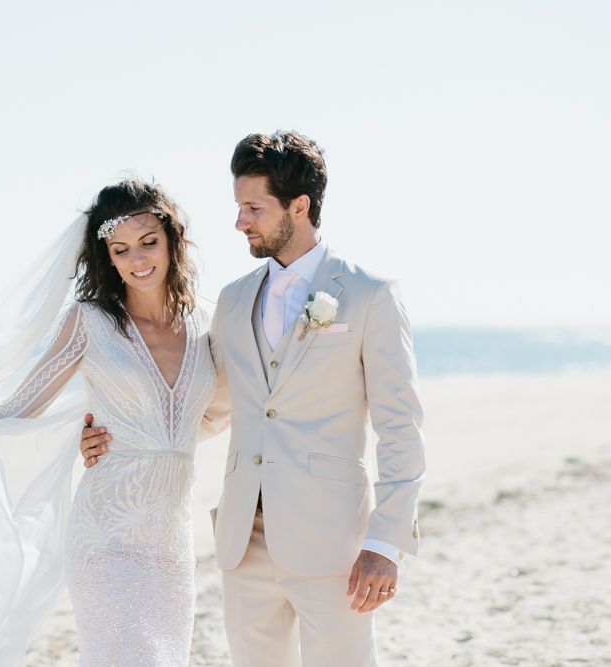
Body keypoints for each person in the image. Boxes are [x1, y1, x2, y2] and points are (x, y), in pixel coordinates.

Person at [81, 131, 427, 666]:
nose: (240, 221)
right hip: (244, 542)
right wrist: (121, 440)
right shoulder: (235, 299)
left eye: (253, 208)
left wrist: (386, 544)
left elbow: (401, 427)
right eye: (239, 206)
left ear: (300, 206)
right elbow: (212, 406)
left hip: (333, 541)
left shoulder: (369, 295)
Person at [0, 178, 227, 666]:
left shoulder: (207, 325)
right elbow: (17, 409)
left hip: (171, 539)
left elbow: (224, 410)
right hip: (106, 534)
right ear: (106, 256)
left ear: (172, 239)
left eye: (149, 242)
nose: (137, 258)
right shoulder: (88, 322)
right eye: (121, 248)